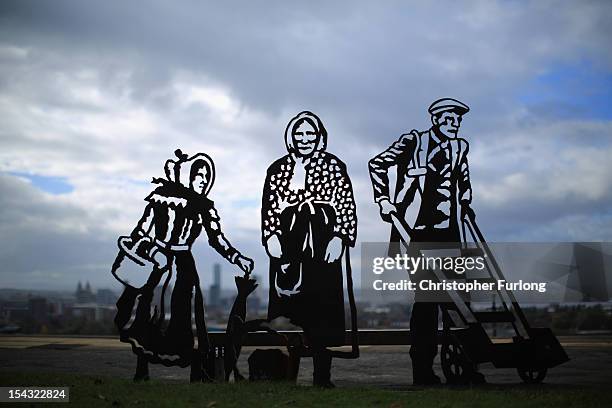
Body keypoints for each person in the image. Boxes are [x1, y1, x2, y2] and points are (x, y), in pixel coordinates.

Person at [112, 150, 254, 382]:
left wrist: (237, 258)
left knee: (184, 316)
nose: (202, 180)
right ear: (187, 174)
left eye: (207, 177)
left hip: (183, 268)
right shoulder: (160, 198)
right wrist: (140, 247)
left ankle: (194, 369)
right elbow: (141, 229)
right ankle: (142, 368)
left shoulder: (204, 207)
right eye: (198, 174)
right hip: (156, 262)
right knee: (149, 314)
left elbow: (217, 238)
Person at [368, 98, 482, 385]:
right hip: (417, 231)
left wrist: (466, 197)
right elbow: (377, 164)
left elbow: (462, 177)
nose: (455, 124)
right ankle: (423, 369)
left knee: (459, 301)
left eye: (458, 120)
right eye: (449, 119)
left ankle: (464, 366)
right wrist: (383, 200)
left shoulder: (459, 147)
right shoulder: (413, 142)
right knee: (428, 301)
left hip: (449, 232)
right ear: (435, 119)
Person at [262, 111, 357, 387]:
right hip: (289, 243)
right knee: (291, 308)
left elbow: (345, 204)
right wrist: (271, 236)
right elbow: (269, 207)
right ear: (291, 137)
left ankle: (322, 376)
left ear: (319, 137)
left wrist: (340, 237)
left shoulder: (334, 166)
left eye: (310, 134)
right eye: (299, 134)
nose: (304, 139)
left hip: (323, 243)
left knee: (322, 311)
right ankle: (288, 372)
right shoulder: (277, 169)